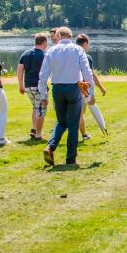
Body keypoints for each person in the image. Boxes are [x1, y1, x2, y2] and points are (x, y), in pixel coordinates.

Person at [38, 26, 93, 166]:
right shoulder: (78, 50)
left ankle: (50, 147)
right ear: (70, 36)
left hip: (57, 88)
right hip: (74, 87)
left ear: (58, 36)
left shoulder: (51, 51)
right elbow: (87, 71)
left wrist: (43, 95)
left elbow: (43, 75)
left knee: (61, 122)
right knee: (73, 124)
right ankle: (70, 158)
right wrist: (90, 93)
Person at [75, 33, 108, 139]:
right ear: (85, 44)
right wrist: (99, 88)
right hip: (84, 89)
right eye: (88, 44)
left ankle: (82, 134)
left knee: (81, 112)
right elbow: (91, 74)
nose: (88, 47)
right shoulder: (86, 56)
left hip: (74, 87)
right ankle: (82, 135)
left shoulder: (71, 54)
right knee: (80, 113)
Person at [17, 33, 49, 140]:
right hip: (39, 86)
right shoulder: (44, 55)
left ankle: (34, 129)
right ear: (44, 42)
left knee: (35, 107)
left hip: (28, 86)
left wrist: (21, 85)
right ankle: (38, 134)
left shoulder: (25, 54)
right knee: (41, 110)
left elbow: (20, 70)